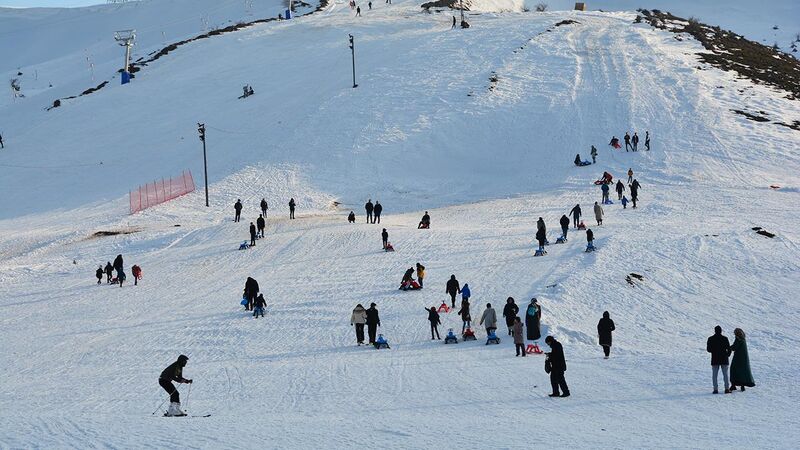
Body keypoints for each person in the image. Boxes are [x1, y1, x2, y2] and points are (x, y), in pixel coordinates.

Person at [707, 325, 732, 394]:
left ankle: (715, 389)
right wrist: (727, 355)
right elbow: (729, 349)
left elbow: (708, 349)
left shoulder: (710, 339)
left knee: (714, 375)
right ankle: (727, 389)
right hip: (724, 359)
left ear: (715, 331)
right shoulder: (725, 338)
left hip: (715, 359)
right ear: (721, 331)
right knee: (725, 375)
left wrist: (714, 350)